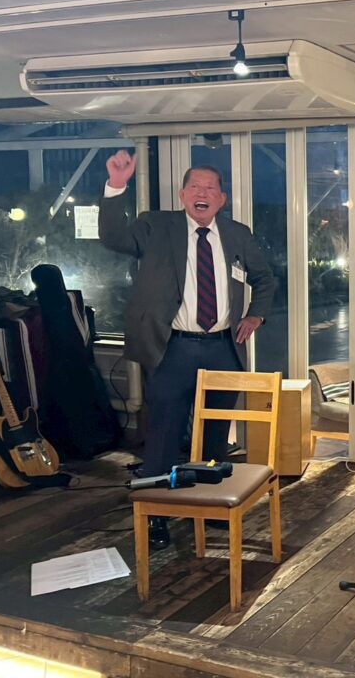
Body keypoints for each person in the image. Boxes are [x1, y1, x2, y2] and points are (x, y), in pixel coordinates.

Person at [99, 150, 275, 550]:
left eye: (210, 188)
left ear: (222, 199)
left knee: (215, 437)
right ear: (182, 195)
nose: (202, 193)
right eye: (194, 186)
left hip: (223, 348)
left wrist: (256, 315)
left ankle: (210, 506)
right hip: (172, 349)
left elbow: (265, 279)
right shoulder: (156, 226)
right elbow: (113, 237)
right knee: (163, 436)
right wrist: (116, 186)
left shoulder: (237, 234)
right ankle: (156, 516)